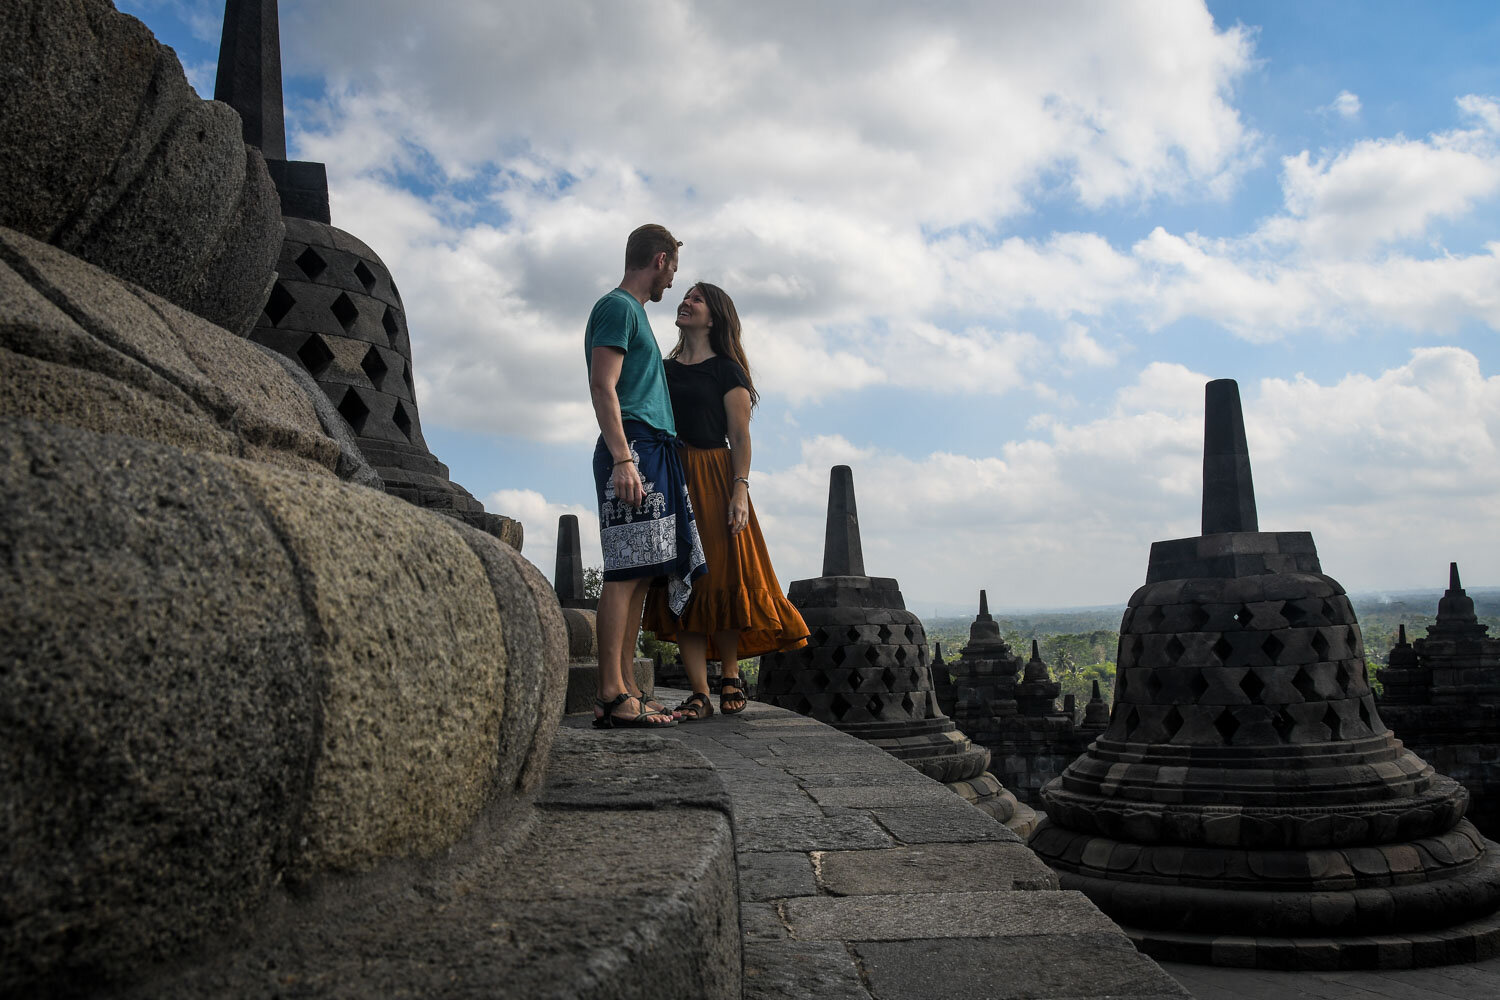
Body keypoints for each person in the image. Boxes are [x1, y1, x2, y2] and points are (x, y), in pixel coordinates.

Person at [643, 282, 808, 719]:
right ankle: (699, 692)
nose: (685, 302)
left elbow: (739, 435)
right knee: (685, 581)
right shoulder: (664, 369)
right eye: (686, 296)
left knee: (723, 577)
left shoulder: (727, 371)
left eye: (696, 298)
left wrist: (741, 488)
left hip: (716, 477)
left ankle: (730, 675)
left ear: (713, 315)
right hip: (674, 477)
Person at [585, 225, 706, 728]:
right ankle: (611, 692)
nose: (672, 283)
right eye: (673, 270)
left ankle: (628, 686)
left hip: (650, 450)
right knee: (624, 571)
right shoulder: (617, 307)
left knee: (642, 574)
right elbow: (602, 384)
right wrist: (623, 459)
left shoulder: (634, 314)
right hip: (632, 447)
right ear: (659, 260)